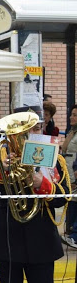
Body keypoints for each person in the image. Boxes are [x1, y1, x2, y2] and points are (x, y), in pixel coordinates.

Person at [0, 106, 70, 283]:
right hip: (9, 232)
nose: (32, 133)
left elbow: (63, 197)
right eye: (26, 129)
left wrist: (41, 183)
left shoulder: (55, 157)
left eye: (36, 128)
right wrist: (4, 172)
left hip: (41, 233)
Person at [61, 104, 77, 248]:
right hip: (68, 171)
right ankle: (70, 232)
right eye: (71, 114)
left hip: (75, 171)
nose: (71, 117)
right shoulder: (72, 132)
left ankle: (74, 235)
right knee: (71, 201)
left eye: (75, 115)